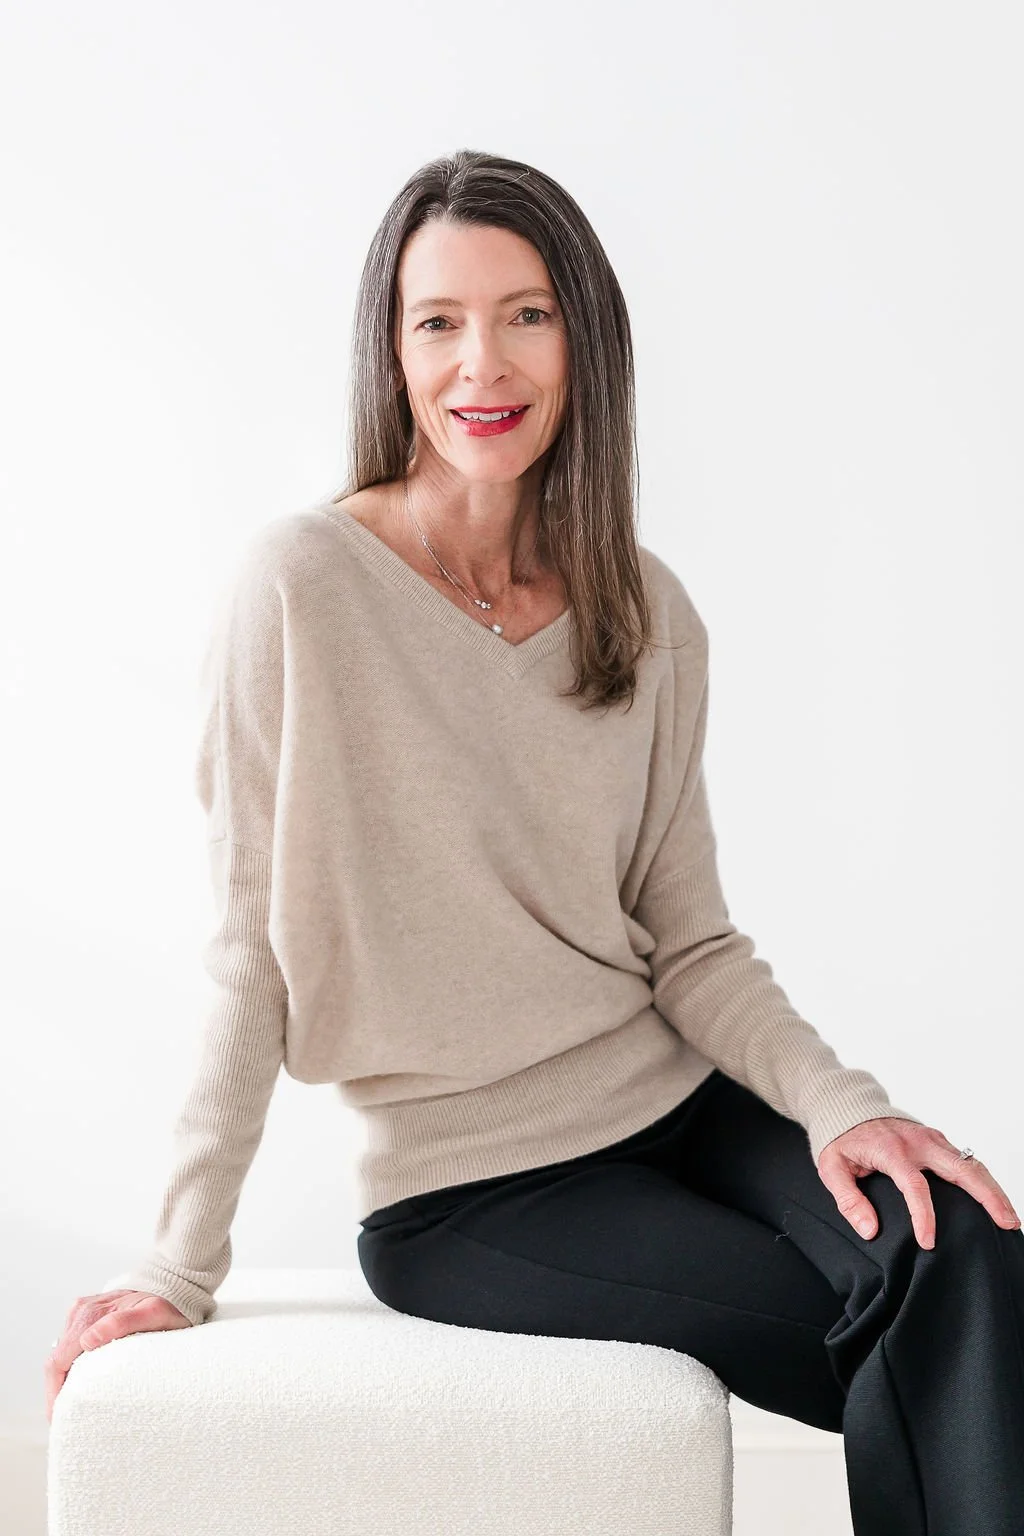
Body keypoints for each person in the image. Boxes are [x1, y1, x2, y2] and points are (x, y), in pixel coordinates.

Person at [46, 150, 1023, 1534]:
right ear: (389, 352)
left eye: (527, 312)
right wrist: (176, 1263)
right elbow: (248, 955)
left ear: (584, 340)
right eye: (436, 319)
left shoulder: (644, 607)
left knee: (958, 1244)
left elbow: (692, 941)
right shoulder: (301, 592)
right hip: (473, 1194)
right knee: (918, 1327)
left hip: (677, 1109)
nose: (479, 362)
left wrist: (843, 1106)